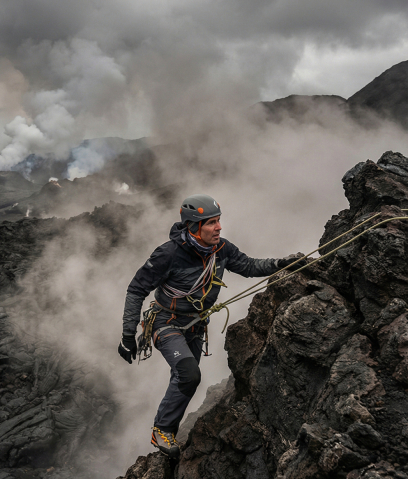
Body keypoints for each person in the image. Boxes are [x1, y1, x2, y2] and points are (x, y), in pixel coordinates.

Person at [118, 194, 304, 459]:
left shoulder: (222, 249)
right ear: (194, 227)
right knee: (189, 373)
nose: (219, 227)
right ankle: (162, 430)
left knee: (186, 377)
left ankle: (165, 429)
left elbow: (248, 266)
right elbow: (137, 289)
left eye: (219, 221)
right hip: (166, 321)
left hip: (194, 325)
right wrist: (128, 334)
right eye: (211, 223)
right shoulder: (169, 254)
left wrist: (280, 264)